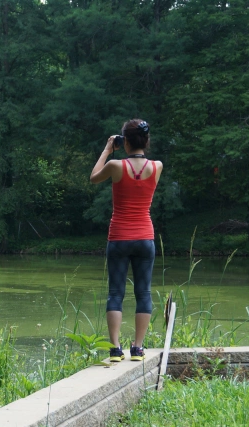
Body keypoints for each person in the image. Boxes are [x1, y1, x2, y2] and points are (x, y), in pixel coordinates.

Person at [89, 119, 162, 362]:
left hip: (119, 236)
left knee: (115, 293)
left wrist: (108, 149)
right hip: (145, 237)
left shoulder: (115, 165)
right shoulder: (157, 166)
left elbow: (93, 177)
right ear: (146, 140)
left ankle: (115, 349)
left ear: (125, 141)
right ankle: (138, 348)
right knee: (144, 292)